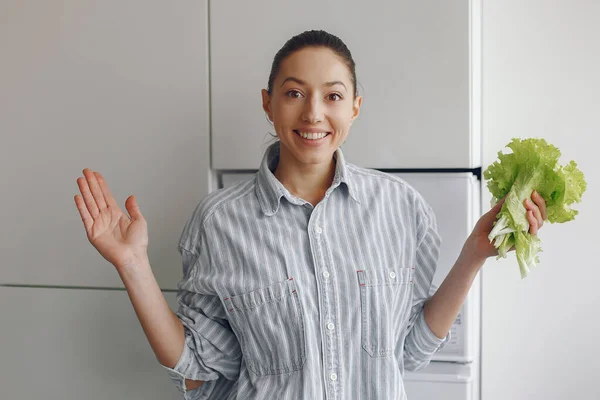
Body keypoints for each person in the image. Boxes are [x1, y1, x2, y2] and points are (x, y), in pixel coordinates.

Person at [74, 30, 547, 399]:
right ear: (268, 103)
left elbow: (408, 350)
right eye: (295, 93)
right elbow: (198, 370)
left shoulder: (402, 208)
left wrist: (473, 255)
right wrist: (132, 265)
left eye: (334, 96)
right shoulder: (217, 222)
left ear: (355, 108)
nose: (314, 113)